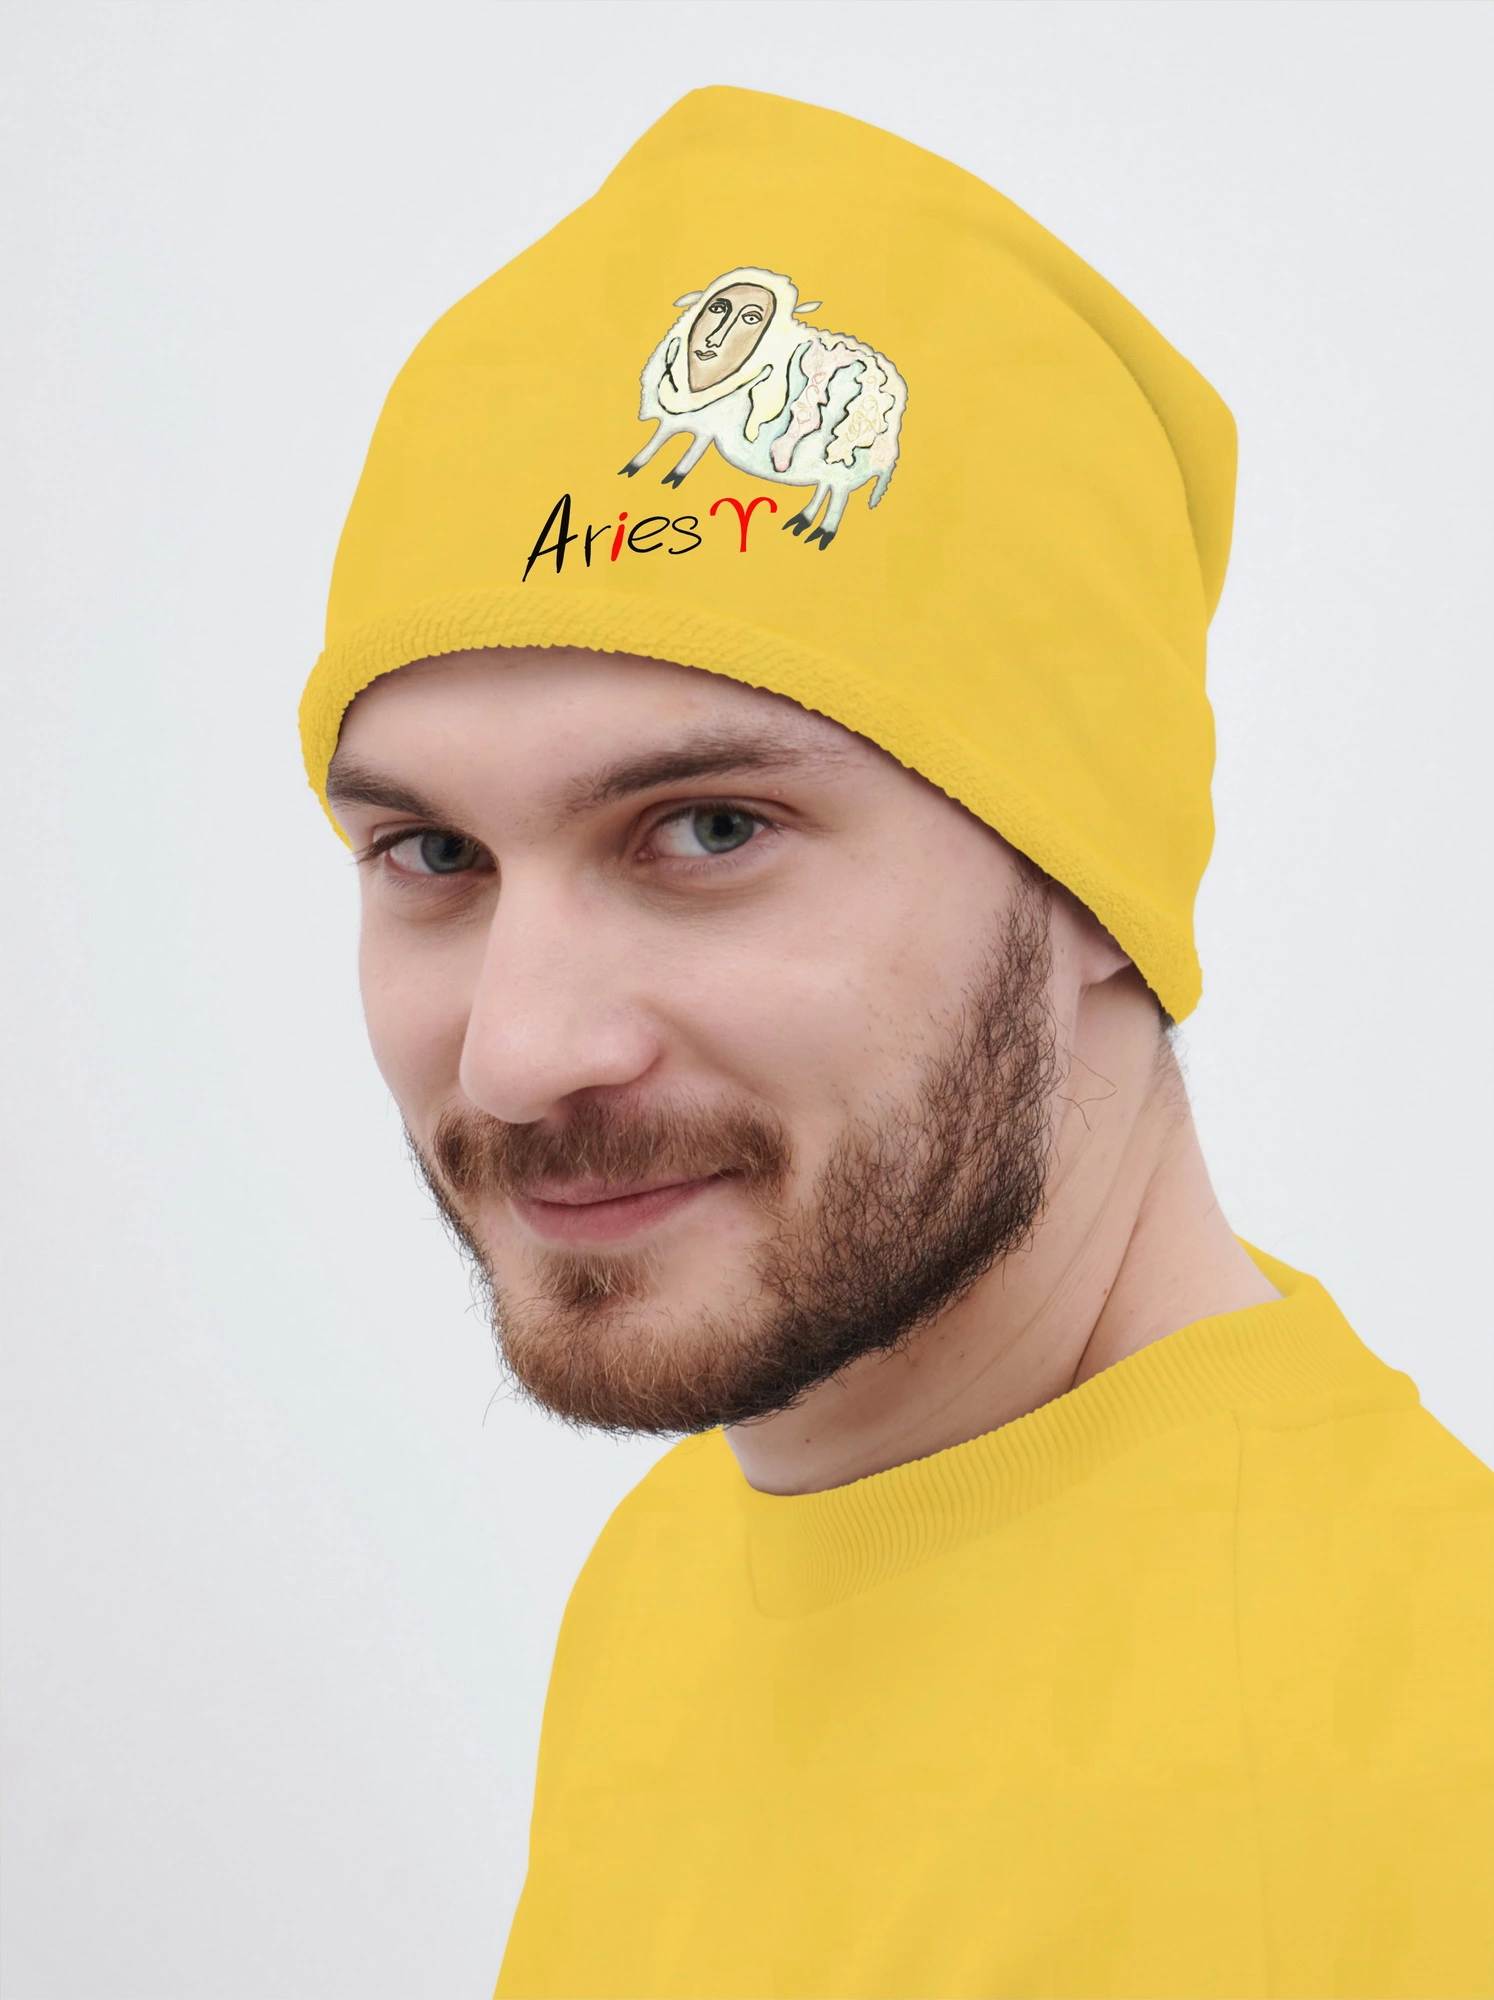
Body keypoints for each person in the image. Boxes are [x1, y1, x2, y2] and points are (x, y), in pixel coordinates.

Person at [299, 87, 1492, 2000]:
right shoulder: (677, 1570)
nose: (517, 1052)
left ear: (1090, 872)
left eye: (707, 829)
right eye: (432, 855)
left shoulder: (1415, 1769)